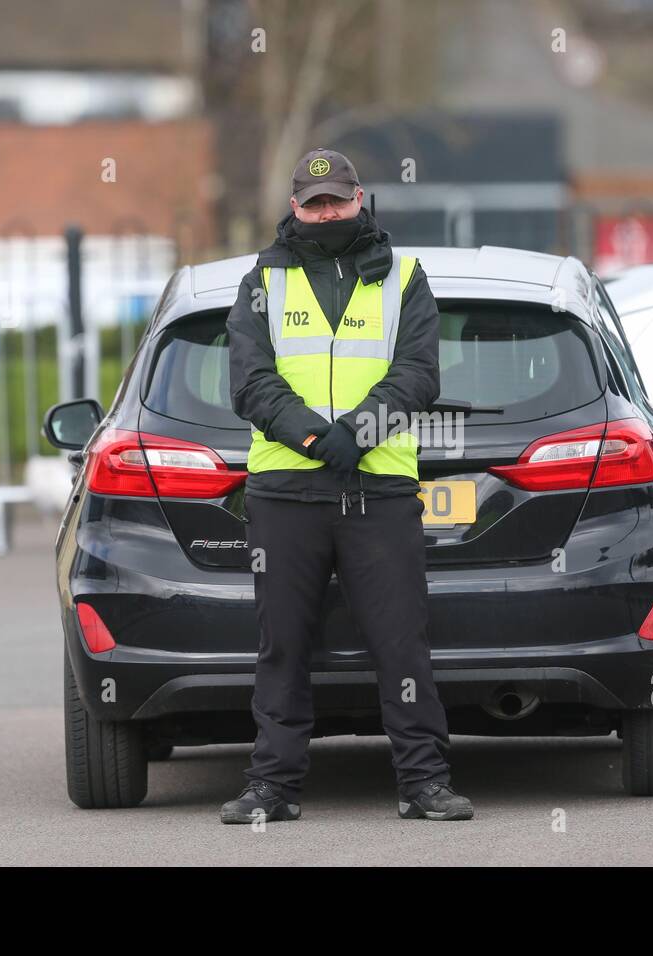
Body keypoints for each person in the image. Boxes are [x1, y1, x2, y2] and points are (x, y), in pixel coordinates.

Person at [221, 147, 473, 823]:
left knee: (402, 644)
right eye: (314, 202)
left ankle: (424, 782)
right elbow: (249, 381)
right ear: (294, 208)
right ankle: (272, 787)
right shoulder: (262, 281)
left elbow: (420, 374)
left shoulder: (407, 276)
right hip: (285, 496)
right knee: (283, 646)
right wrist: (312, 437)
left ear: (360, 199)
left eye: (337, 200)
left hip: (379, 495)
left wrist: (356, 433)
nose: (326, 212)